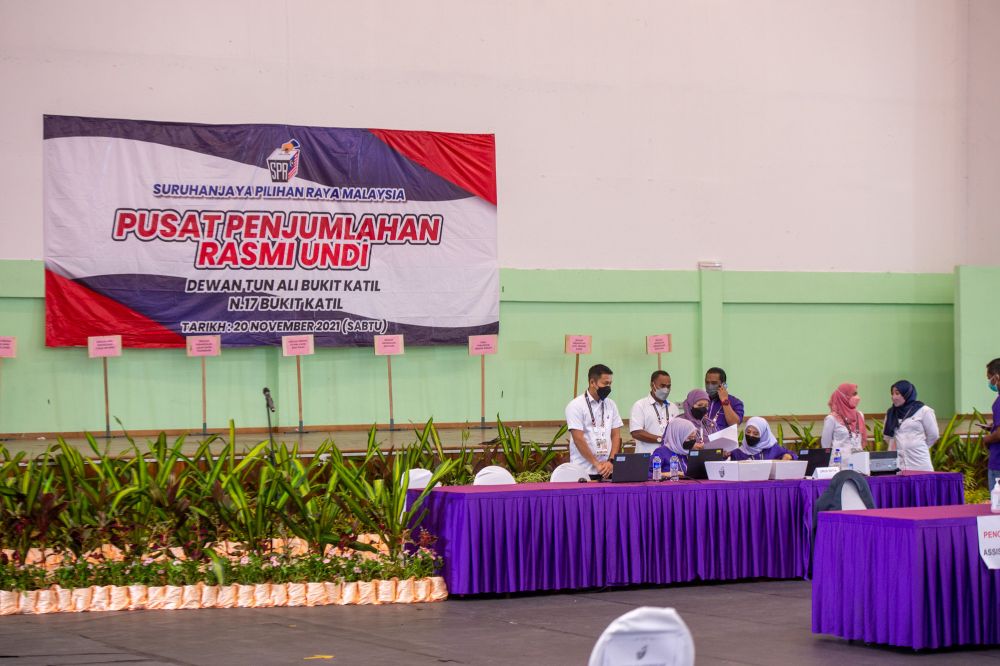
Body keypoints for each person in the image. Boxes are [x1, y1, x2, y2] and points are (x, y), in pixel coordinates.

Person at [566, 363, 623, 479]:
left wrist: (611, 461)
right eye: (605, 383)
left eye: (610, 383)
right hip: (583, 471)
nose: (608, 387)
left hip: (607, 470)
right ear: (592, 382)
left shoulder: (611, 405)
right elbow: (578, 439)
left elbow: (616, 435)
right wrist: (596, 463)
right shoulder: (576, 405)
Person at [883, 380, 939, 472]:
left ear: (907, 394)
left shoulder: (924, 411)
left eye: (897, 393)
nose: (893, 397)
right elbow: (887, 437)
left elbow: (933, 435)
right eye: (892, 393)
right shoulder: (890, 413)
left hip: (919, 461)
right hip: (897, 463)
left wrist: (917, 445)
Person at [630, 370, 681, 454]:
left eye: (668, 386)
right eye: (662, 386)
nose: (666, 389)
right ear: (652, 385)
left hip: (670, 458)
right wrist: (661, 439)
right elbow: (636, 433)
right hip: (648, 458)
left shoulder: (673, 407)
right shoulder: (640, 405)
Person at [820, 383, 867, 465]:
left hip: (859, 464)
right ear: (844, 397)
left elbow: (861, 440)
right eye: (854, 394)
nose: (857, 398)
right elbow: (826, 445)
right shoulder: (831, 419)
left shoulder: (860, 415)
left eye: (857, 394)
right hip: (839, 465)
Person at [729, 416, 796, 461]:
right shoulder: (738, 453)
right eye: (748, 432)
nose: (751, 435)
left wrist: (789, 456)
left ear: (763, 435)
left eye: (755, 434)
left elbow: (793, 455)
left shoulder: (773, 449)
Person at [984, 358, 1000, 490]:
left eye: (989, 378)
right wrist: (994, 425)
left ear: (997, 377)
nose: (989, 382)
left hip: (998, 464)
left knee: (997, 505)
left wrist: (986, 439)